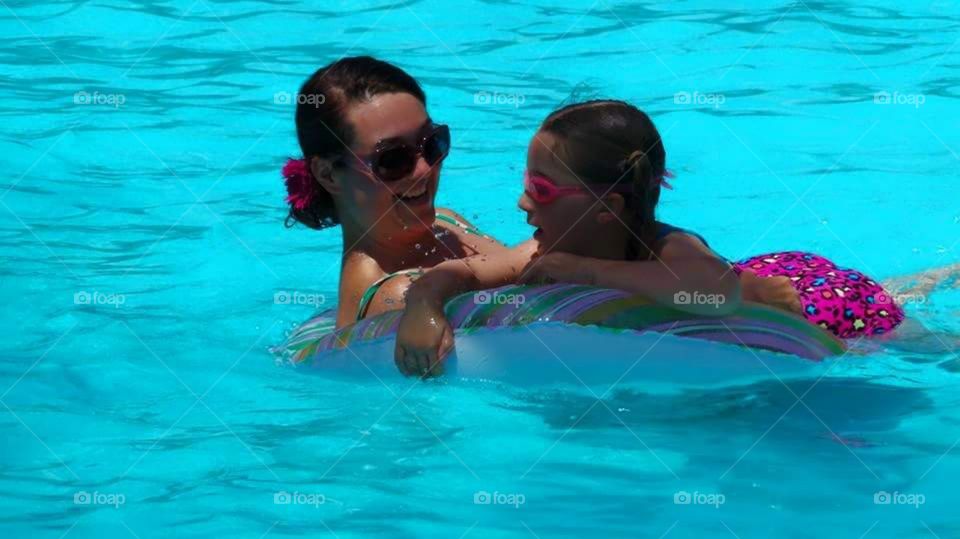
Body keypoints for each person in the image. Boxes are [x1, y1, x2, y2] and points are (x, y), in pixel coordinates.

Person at [393, 100, 909, 377]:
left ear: (605, 208)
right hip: (755, 272)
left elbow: (715, 294)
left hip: (821, 304)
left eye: (540, 188)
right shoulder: (543, 250)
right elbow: (460, 273)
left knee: (915, 340)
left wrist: (586, 272)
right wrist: (425, 306)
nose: (522, 203)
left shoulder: (668, 245)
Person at [282, 56, 507, 328]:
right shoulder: (398, 297)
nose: (424, 169)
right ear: (328, 175)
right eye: (393, 159)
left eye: (432, 143)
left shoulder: (445, 221)